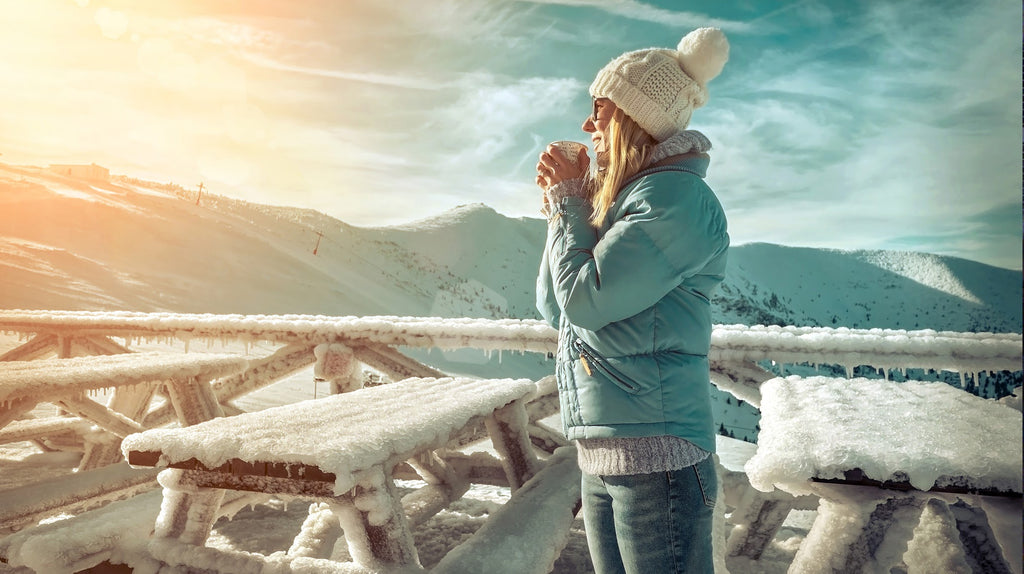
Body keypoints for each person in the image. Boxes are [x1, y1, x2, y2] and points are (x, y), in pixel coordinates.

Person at [534, 27, 731, 574]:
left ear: (629, 115)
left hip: (658, 454)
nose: (585, 124)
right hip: (605, 449)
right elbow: (555, 307)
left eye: (597, 108)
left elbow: (583, 303)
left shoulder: (676, 197)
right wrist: (565, 208)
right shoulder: (626, 197)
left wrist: (572, 200)